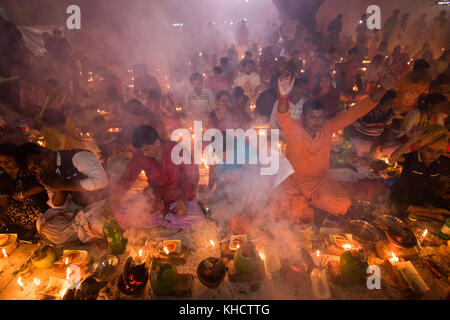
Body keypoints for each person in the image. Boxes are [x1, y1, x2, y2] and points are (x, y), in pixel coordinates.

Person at [274, 73, 395, 222]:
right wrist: (283, 97)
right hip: (293, 182)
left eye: (320, 117)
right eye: (313, 117)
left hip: (320, 182)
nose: (317, 122)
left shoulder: (327, 127)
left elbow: (356, 111)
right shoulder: (294, 130)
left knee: (342, 204)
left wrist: (383, 89)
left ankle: (309, 201)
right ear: (303, 117)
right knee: (275, 209)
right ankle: (308, 202)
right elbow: (283, 116)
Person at [112, 125, 204, 230]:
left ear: (157, 143)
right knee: (119, 213)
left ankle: (162, 219)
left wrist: (183, 198)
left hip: (178, 198)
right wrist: (113, 198)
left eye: (147, 149)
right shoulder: (141, 154)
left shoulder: (178, 151)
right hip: (155, 199)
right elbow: (127, 177)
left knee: (198, 218)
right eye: (142, 151)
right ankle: (165, 219)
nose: (145, 154)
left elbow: (192, 176)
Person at [390, 124, 449, 215]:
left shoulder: (441, 161)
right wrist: (412, 140)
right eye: (430, 150)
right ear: (421, 148)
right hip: (404, 194)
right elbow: (394, 157)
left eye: (439, 152)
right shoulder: (412, 158)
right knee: (400, 206)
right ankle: (433, 212)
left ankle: (428, 211)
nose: (434, 155)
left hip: (423, 196)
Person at [0, 143, 48, 238]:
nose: (4, 165)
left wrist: (22, 194)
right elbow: (3, 200)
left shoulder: (30, 167)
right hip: (19, 209)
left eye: (8, 161)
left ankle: (38, 227)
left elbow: (43, 185)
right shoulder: (3, 176)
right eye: (0, 162)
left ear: (16, 157)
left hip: (40, 203)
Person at [350, 90, 397, 159]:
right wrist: (366, 138)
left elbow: (387, 129)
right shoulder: (365, 111)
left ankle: (373, 154)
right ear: (380, 103)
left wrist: (380, 143)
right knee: (358, 144)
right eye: (389, 103)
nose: (391, 106)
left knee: (395, 146)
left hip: (377, 140)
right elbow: (351, 128)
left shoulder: (388, 113)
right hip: (363, 140)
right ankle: (372, 155)